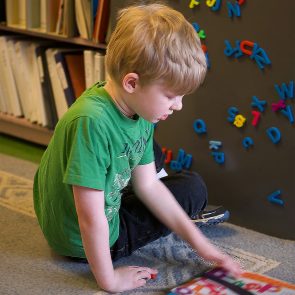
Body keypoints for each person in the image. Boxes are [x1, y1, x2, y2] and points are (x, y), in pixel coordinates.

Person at [33, 3, 242, 293]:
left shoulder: (132, 105)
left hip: (95, 202)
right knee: (192, 192)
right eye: (171, 95)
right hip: (81, 239)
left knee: (178, 176)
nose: (178, 105)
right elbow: (90, 217)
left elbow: (149, 187)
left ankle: (167, 211)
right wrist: (109, 280)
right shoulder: (90, 123)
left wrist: (203, 248)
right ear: (132, 82)